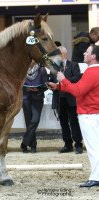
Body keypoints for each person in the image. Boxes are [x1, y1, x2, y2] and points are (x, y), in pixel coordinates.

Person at [47, 44, 99, 188]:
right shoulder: (93, 71)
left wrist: (63, 79)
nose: (84, 53)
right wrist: (58, 86)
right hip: (93, 113)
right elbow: (80, 88)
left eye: (87, 52)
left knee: (93, 147)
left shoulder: (92, 72)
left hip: (89, 114)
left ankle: (96, 177)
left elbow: (77, 91)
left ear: (93, 56)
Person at [50, 46, 83, 154]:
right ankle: (67, 144)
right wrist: (50, 84)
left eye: (58, 54)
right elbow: (50, 79)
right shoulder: (54, 67)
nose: (56, 56)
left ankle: (78, 144)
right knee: (63, 123)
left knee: (74, 122)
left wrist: (63, 81)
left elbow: (77, 78)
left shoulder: (73, 65)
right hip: (59, 98)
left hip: (71, 98)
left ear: (64, 54)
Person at [20, 62, 48, 153]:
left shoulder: (42, 69)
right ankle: (33, 145)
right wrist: (26, 88)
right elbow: (19, 84)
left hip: (37, 98)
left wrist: (38, 89)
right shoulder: (23, 68)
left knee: (35, 120)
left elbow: (46, 85)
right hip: (26, 98)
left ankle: (24, 142)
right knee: (28, 122)